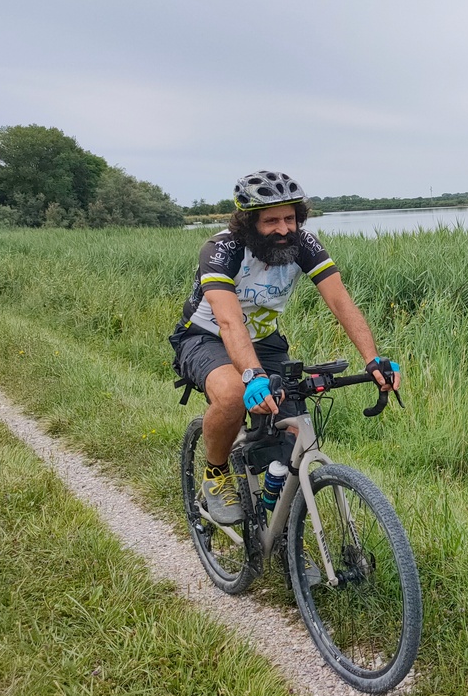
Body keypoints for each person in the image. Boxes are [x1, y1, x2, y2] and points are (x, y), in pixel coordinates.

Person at [169, 170, 399, 525]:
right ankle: (215, 476)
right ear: (248, 223)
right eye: (271, 220)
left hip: (266, 341)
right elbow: (229, 322)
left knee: (295, 430)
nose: (283, 229)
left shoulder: (304, 244)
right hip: (205, 336)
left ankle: (280, 531)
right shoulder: (222, 249)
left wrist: (373, 358)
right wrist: (252, 376)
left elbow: (341, 302)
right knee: (233, 393)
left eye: (290, 218)